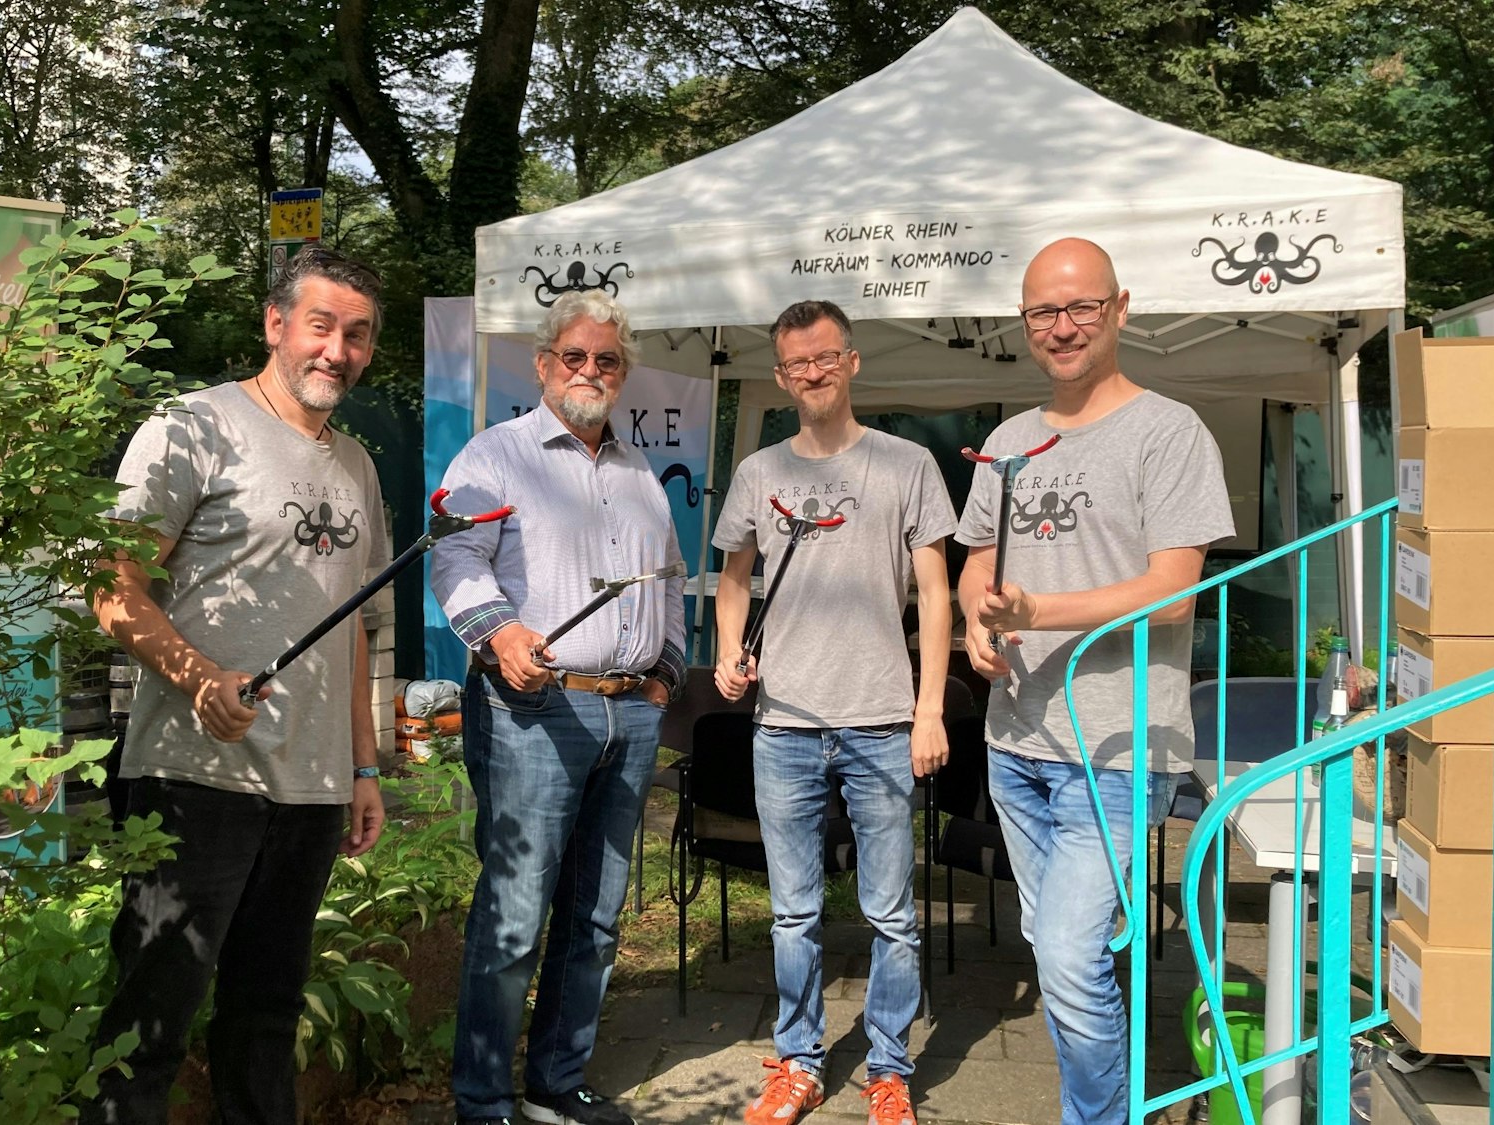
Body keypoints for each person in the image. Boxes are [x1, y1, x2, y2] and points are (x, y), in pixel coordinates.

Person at [82, 246, 392, 1125]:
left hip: (312, 787)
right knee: (150, 1017)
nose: (337, 350)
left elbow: (353, 627)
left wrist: (363, 766)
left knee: (266, 1014)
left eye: (357, 335)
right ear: (275, 323)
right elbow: (111, 587)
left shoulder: (358, 465)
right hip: (195, 776)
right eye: (321, 326)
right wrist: (198, 676)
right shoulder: (192, 427)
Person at [955, 239, 1234, 1125]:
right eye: (1044, 311)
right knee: (1056, 949)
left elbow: (1175, 591)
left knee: (1070, 961)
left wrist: (1038, 611)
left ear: (1120, 308)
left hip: (1115, 745)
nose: (1063, 326)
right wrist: (975, 619)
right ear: (1025, 322)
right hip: (1015, 740)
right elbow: (978, 562)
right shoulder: (1008, 442)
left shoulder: (1169, 431)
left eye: (1081, 306)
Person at [430, 289, 686, 1125]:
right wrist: (500, 634)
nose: (589, 370)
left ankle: (555, 1084)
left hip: (630, 714)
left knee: (597, 917)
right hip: (533, 711)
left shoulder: (639, 472)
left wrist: (665, 675)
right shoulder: (495, 455)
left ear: (623, 373)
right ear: (543, 365)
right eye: (573, 356)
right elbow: (456, 559)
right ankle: (482, 1101)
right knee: (514, 917)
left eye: (606, 359)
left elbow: (670, 579)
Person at [713, 299, 956, 1125]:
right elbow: (734, 579)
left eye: (825, 357)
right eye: (796, 363)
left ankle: (889, 1069)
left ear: (851, 361)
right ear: (781, 377)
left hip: (882, 721)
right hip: (782, 723)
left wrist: (929, 709)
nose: (812, 373)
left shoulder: (907, 464)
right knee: (794, 911)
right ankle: (799, 1062)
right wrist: (729, 648)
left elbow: (935, 592)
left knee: (892, 915)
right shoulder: (760, 472)